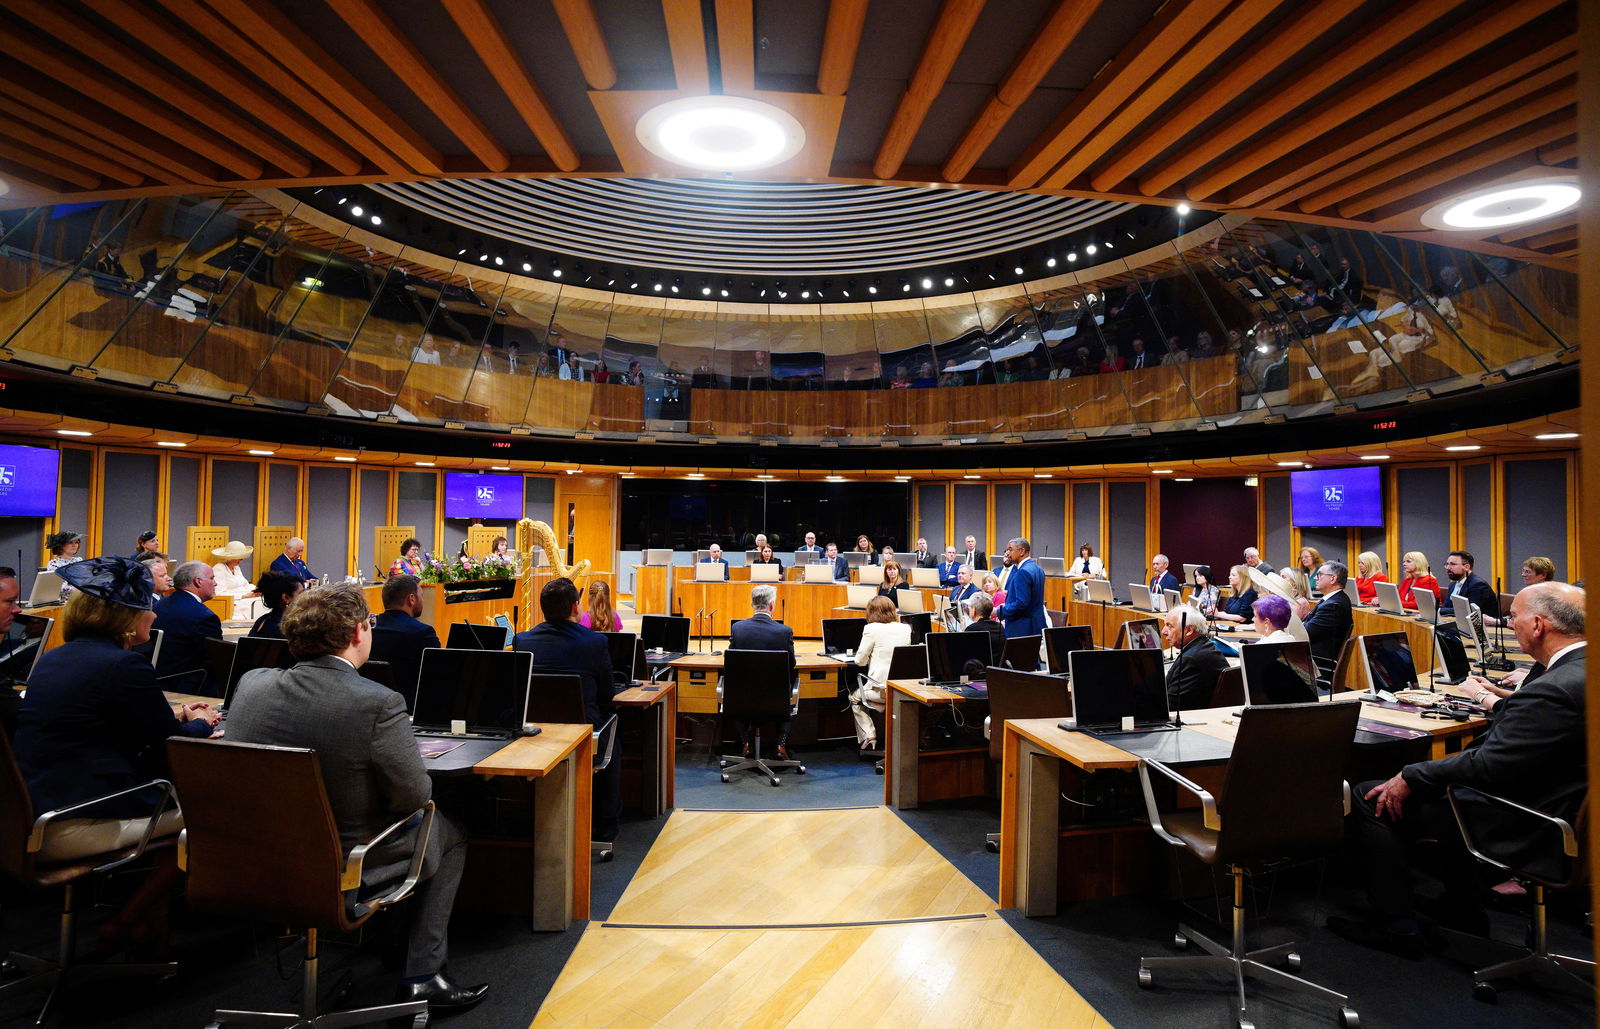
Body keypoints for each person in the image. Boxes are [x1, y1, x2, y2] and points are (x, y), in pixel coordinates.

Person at [225, 583, 486, 1010]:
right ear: (356, 633)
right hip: (347, 862)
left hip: (251, 857)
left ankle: (382, 944)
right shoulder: (378, 702)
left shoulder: (251, 685)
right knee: (447, 831)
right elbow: (413, 798)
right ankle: (423, 975)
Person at [1329, 582, 1586, 957]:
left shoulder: (1555, 686)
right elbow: (1531, 735)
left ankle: (1398, 928)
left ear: (1538, 625)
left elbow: (1488, 764)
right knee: (1437, 788)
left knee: (1373, 795)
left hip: (1526, 819)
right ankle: (1462, 910)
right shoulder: (1576, 672)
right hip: (1556, 802)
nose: (1509, 624)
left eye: (1513, 618)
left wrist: (1413, 774)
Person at [14, 557, 218, 955]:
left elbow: (102, 718)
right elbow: (169, 746)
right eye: (146, 607)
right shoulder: (124, 665)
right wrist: (203, 723)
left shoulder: (55, 657)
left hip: (34, 809)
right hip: (77, 817)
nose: (154, 613)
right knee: (212, 813)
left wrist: (177, 714)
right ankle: (129, 922)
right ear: (125, 617)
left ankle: (144, 930)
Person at [513, 577, 619, 842]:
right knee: (615, 731)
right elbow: (608, 696)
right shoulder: (595, 643)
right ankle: (605, 824)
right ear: (575, 607)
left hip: (534, 734)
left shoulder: (522, 641)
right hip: (582, 736)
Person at [727, 584, 796, 760]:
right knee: (790, 693)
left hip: (742, 697)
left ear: (752, 604)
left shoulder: (738, 628)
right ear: (772, 605)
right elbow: (791, 664)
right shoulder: (784, 631)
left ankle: (746, 742)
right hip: (776, 698)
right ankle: (780, 744)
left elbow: (731, 662)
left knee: (738, 688)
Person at [369, 573, 440, 708]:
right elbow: (438, 678)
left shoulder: (368, 630)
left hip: (371, 705)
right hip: (409, 710)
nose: (423, 601)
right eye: (422, 596)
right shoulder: (422, 633)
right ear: (412, 599)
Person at [850, 596, 909, 752]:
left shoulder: (871, 629)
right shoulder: (905, 628)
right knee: (881, 699)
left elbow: (860, 661)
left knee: (854, 698)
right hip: (901, 690)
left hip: (880, 690)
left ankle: (869, 736)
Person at [151, 561, 221, 687]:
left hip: (155, 681)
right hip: (188, 689)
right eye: (212, 578)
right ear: (198, 581)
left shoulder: (158, 605)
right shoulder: (204, 616)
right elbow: (217, 661)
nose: (215, 583)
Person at [1163, 607, 1228, 711]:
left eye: (1169, 626)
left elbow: (1170, 705)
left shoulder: (1191, 659)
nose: (1163, 632)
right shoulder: (1205, 646)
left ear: (1188, 630)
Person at [1303, 561, 1354, 668]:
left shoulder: (1334, 605)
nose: (1316, 578)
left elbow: (1305, 633)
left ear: (1333, 579)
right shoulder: (1332, 600)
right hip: (1312, 657)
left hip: (1316, 664)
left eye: (1320, 574)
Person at [999, 537, 1046, 640]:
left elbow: (1021, 604)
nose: (1007, 553)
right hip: (1036, 626)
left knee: (1020, 656)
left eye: (1010, 549)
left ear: (1021, 551)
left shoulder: (1022, 572)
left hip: (1021, 629)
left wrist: (999, 612)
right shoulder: (1038, 569)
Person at [1439, 549, 1496, 614]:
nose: (1448, 568)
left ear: (1466, 567)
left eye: (1453, 564)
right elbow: (1446, 607)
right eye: (1447, 564)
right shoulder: (1453, 584)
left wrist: (1438, 611)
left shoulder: (1478, 585)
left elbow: (1469, 612)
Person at [248, 571, 302, 639]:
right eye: (301, 593)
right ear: (286, 597)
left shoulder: (263, 619)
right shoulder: (287, 626)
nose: (305, 597)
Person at [209, 540, 256, 607]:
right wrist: (243, 596)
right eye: (239, 558)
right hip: (231, 603)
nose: (241, 560)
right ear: (231, 558)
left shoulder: (236, 568)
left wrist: (257, 590)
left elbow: (245, 585)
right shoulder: (219, 568)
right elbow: (219, 593)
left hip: (243, 599)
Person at [44, 530, 84, 602]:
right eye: (70, 542)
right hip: (63, 603)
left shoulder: (78, 560)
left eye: (76, 542)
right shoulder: (54, 564)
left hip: (79, 600)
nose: (74, 545)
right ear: (61, 545)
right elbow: (59, 588)